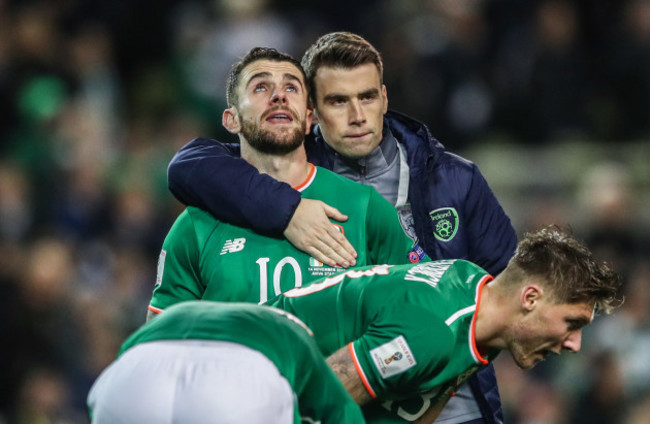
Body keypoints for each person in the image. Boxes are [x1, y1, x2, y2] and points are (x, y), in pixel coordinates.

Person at [166, 32, 517, 423]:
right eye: (337, 101)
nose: (357, 115)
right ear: (313, 113)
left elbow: (504, 289)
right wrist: (289, 209)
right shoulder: (276, 163)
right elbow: (188, 165)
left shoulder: (455, 179)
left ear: (384, 98)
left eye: (366, 97)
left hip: (457, 403)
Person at [146, 47, 423, 321]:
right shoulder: (195, 225)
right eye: (260, 88)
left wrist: (355, 363)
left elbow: (424, 306)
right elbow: (161, 343)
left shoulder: (364, 207)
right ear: (232, 120)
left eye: (291, 88)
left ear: (308, 119)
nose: (279, 96)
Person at [263, 226, 623, 423]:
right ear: (529, 299)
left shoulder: (480, 304)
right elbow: (324, 396)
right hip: (260, 363)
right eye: (572, 322)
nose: (574, 343)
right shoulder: (433, 330)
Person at [87, 301, 366, 423]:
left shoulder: (163, 320)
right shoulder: (294, 331)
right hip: (238, 379)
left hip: (134, 372)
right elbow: (342, 414)